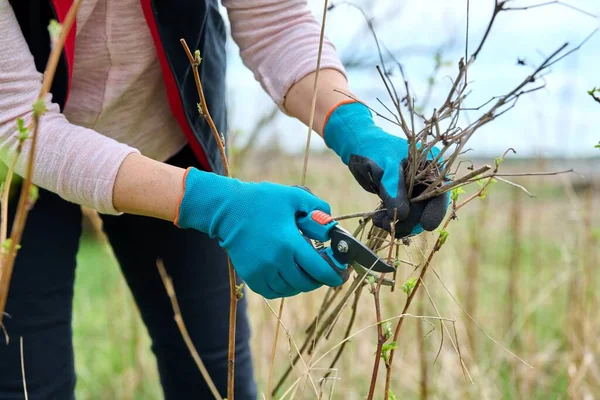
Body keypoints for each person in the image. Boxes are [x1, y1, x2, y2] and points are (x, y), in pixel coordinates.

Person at [0, 0, 448, 398]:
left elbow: (275, 21)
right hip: (17, 165)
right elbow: (16, 118)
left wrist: (354, 125)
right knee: (27, 381)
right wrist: (214, 204)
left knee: (217, 381)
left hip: (170, 145)